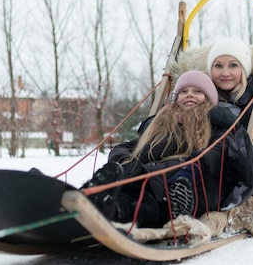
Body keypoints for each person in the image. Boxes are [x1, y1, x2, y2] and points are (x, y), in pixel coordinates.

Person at [83, 70, 232, 228]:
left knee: (148, 202)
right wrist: (123, 162)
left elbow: (215, 156)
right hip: (149, 176)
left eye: (197, 91)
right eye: (183, 91)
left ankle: (114, 214)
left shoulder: (215, 125)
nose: (189, 95)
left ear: (209, 99)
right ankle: (88, 201)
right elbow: (129, 146)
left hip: (180, 183)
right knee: (126, 185)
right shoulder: (162, 121)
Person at [205, 38, 253, 205]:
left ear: (243, 69)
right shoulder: (199, 98)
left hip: (231, 179)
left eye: (233, 65)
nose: (225, 72)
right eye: (218, 65)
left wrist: (231, 125)